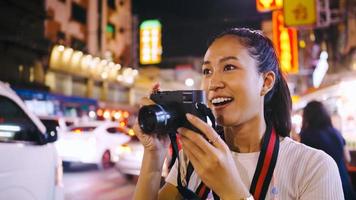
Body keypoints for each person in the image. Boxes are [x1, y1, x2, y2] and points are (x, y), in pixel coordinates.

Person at [133, 28, 344, 200]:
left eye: (229, 67)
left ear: (266, 82)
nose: (213, 83)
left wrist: (232, 191)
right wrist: (154, 154)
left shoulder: (313, 167)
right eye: (207, 71)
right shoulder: (194, 156)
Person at [300, 100, 355, 200]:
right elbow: (347, 158)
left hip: (324, 186)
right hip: (344, 182)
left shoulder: (307, 135)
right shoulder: (336, 132)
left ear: (307, 116)